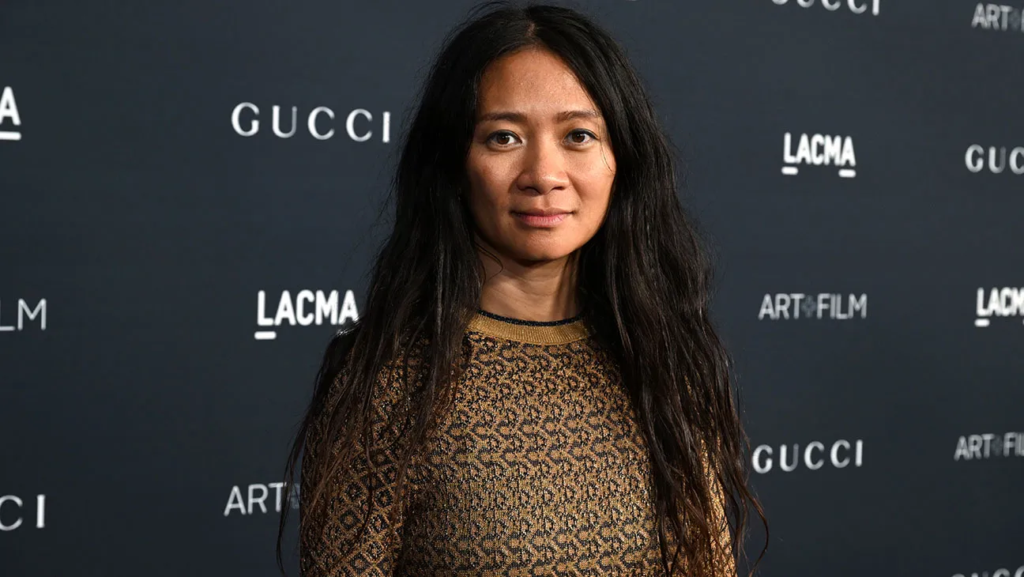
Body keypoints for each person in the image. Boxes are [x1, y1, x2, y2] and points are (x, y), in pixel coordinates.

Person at [278, 2, 766, 575]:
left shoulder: (662, 362)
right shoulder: (391, 385)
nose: (543, 175)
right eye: (504, 137)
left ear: (621, 159)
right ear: (455, 165)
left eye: (578, 135)